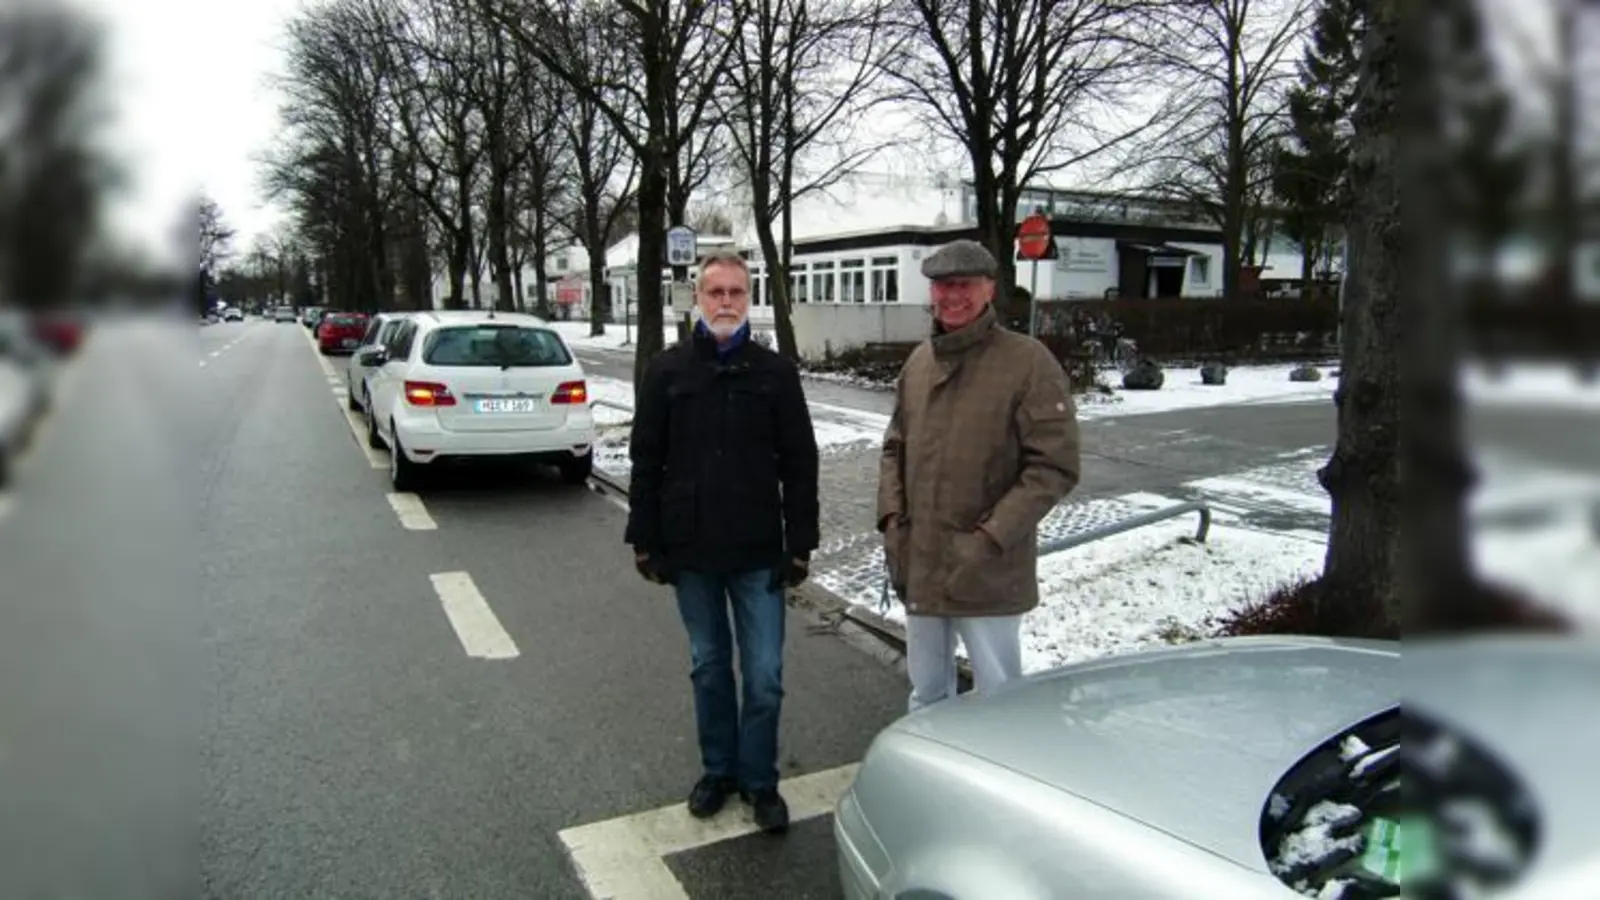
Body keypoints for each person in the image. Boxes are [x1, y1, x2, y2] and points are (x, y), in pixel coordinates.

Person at [624, 249, 820, 834]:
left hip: (759, 550)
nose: (727, 302)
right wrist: (645, 538)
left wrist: (800, 542)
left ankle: (759, 781)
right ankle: (719, 771)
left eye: (737, 292)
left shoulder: (775, 373)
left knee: (763, 674)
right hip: (691, 551)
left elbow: (800, 462)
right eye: (717, 293)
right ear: (699, 299)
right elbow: (646, 460)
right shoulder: (667, 371)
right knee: (709, 667)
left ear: (749, 297)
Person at [876, 239, 1082, 711]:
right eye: (942, 286)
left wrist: (989, 537)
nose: (952, 296)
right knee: (927, 692)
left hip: (987, 568)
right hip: (920, 563)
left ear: (989, 289)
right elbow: (894, 446)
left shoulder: (1028, 363)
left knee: (1000, 697)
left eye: (964, 285)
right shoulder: (920, 362)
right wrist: (891, 518)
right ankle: (928, 775)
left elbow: (1054, 465)